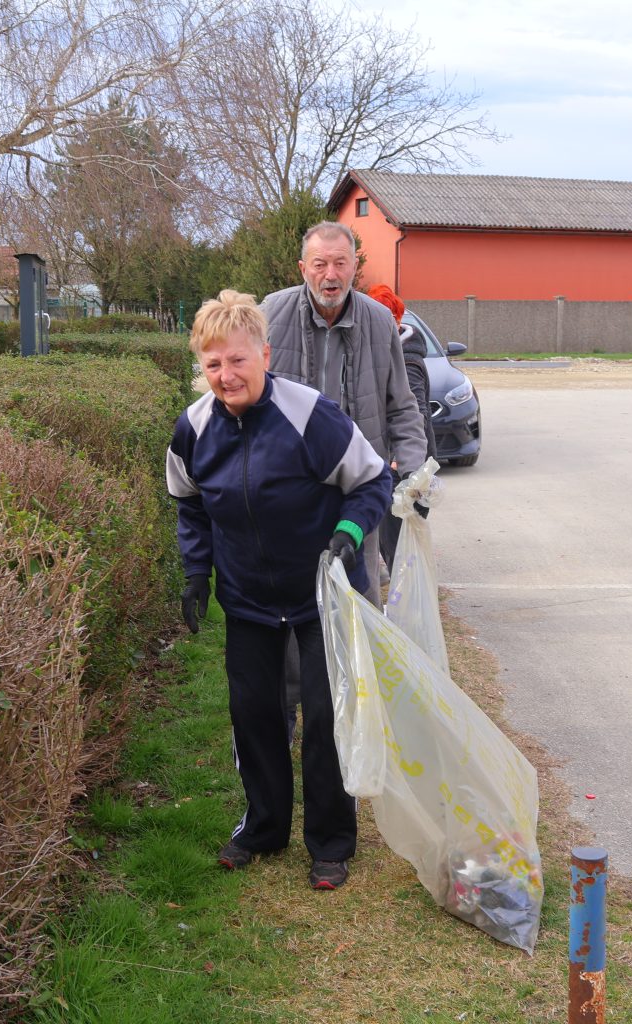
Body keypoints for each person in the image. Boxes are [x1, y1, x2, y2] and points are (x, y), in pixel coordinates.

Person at [166, 289, 391, 891]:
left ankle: (331, 842)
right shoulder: (193, 429)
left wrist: (346, 535)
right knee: (255, 715)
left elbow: (372, 482)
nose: (226, 375)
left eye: (237, 361)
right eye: (212, 364)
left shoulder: (310, 415)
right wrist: (196, 573)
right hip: (246, 599)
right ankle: (263, 828)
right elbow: (189, 505)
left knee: (322, 716)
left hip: (321, 592)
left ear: (264, 354)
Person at [260, 222, 427, 605]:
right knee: (292, 605)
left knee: (357, 600)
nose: (330, 275)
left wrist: (414, 473)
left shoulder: (380, 321)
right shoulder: (270, 313)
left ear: (355, 267)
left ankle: (353, 667)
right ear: (303, 269)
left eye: (340, 263)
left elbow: (402, 406)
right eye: (319, 264)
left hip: (357, 490)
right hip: (288, 488)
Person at [366, 283, 436, 571]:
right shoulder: (385, 351)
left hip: (405, 465)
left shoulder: (406, 360)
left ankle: (405, 603)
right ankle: (403, 594)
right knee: (395, 539)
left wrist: (401, 457)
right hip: (398, 461)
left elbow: (414, 411)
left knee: (399, 543)